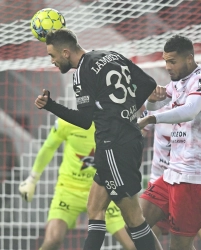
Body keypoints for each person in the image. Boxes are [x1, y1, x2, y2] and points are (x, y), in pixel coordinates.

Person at [34, 28, 161, 250]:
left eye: (52, 56)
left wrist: (51, 105)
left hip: (114, 147)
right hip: (116, 143)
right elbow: (148, 83)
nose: (52, 62)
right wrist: (127, 113)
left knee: (133, 218)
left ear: (65, 52)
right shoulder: (109, 55)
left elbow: (84, 121)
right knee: (95, 208)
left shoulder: (82, 73)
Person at [138, 34, 201, 250]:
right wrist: (150, 102)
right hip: (173, 174)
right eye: (165, 61)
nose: (167, 66)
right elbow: (155, 109)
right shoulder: (177, 84)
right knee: (137, 223)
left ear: (189, 59)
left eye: (172, 61)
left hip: (194, 176)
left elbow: (191, 111)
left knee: (181, 246)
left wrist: (152, 117)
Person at [19, 118, 136, 250]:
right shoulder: (67, 122)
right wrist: (32, 179)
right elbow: (49, 147)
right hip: (69, 190)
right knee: (53, 239)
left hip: (103, 192)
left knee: (132, 245)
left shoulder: (115, 122)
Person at [141, 103, 201, 250]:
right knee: (139, 232)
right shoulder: (159, 109)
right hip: (161, 186)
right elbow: (136, 132)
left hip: (194, 186)